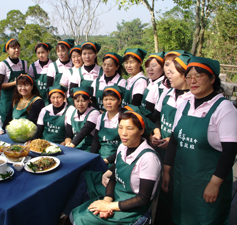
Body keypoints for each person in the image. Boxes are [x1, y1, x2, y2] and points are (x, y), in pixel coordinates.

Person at [163, 56, 237, 225]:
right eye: (189, 76)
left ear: (212, 79)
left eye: (199, 76)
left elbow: (230, 151)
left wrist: (214, 184)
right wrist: (167, 170)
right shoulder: (185, 104)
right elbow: (174, 140)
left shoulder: (224, 108)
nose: (193, 81)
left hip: (207, 184)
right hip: (183, 181)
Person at [70, 110, 161, 225]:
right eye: (120, 127)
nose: (123, 133)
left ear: (141, 130)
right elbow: (113, 178)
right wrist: (106, 201)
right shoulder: (123, 147)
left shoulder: (148, 158)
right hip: (117, 196)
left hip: (134, 208)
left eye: (129, 128)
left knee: (82, 220)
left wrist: (111, 206)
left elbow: (143, 199)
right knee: (76, 214)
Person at [150, 54, 193, 225]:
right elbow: (157, 117)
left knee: (177, 192)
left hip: (181, 156)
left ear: (184, 75)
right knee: (161, 191)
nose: (168, 73)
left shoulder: (191, 98)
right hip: (161, 150)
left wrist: (173, 140)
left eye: (172, 71)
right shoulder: (167, 93)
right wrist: (156, 132)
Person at [0, 38, 27, 123]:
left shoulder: (24, 63)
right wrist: (15, 83)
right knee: (7, 124)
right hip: (7, 101)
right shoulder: (2, 65)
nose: (16, 50)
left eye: (18, 48)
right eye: (13, 48)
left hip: (21, 100)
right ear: (7, 50)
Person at [90, 85, 123, 160]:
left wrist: (108, 160)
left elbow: (124, 147)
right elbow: (96, 140)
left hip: (116, 159)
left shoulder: (123, 118)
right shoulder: (101, 117)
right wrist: (91, 157)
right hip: (100, 156)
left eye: (112, 99)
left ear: (119, 101)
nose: (108, 102)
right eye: (105, 99)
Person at [64, 86, 100, 152]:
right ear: (73, 100)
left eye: (83, 101)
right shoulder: (72, 112)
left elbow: (83, 132)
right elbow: (68, 135)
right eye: (77, 101)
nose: (80, 104)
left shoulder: (94, 113)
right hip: (73, 147)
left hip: (87, 149)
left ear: (89, 100)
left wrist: (72, 145)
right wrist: (68, 143)